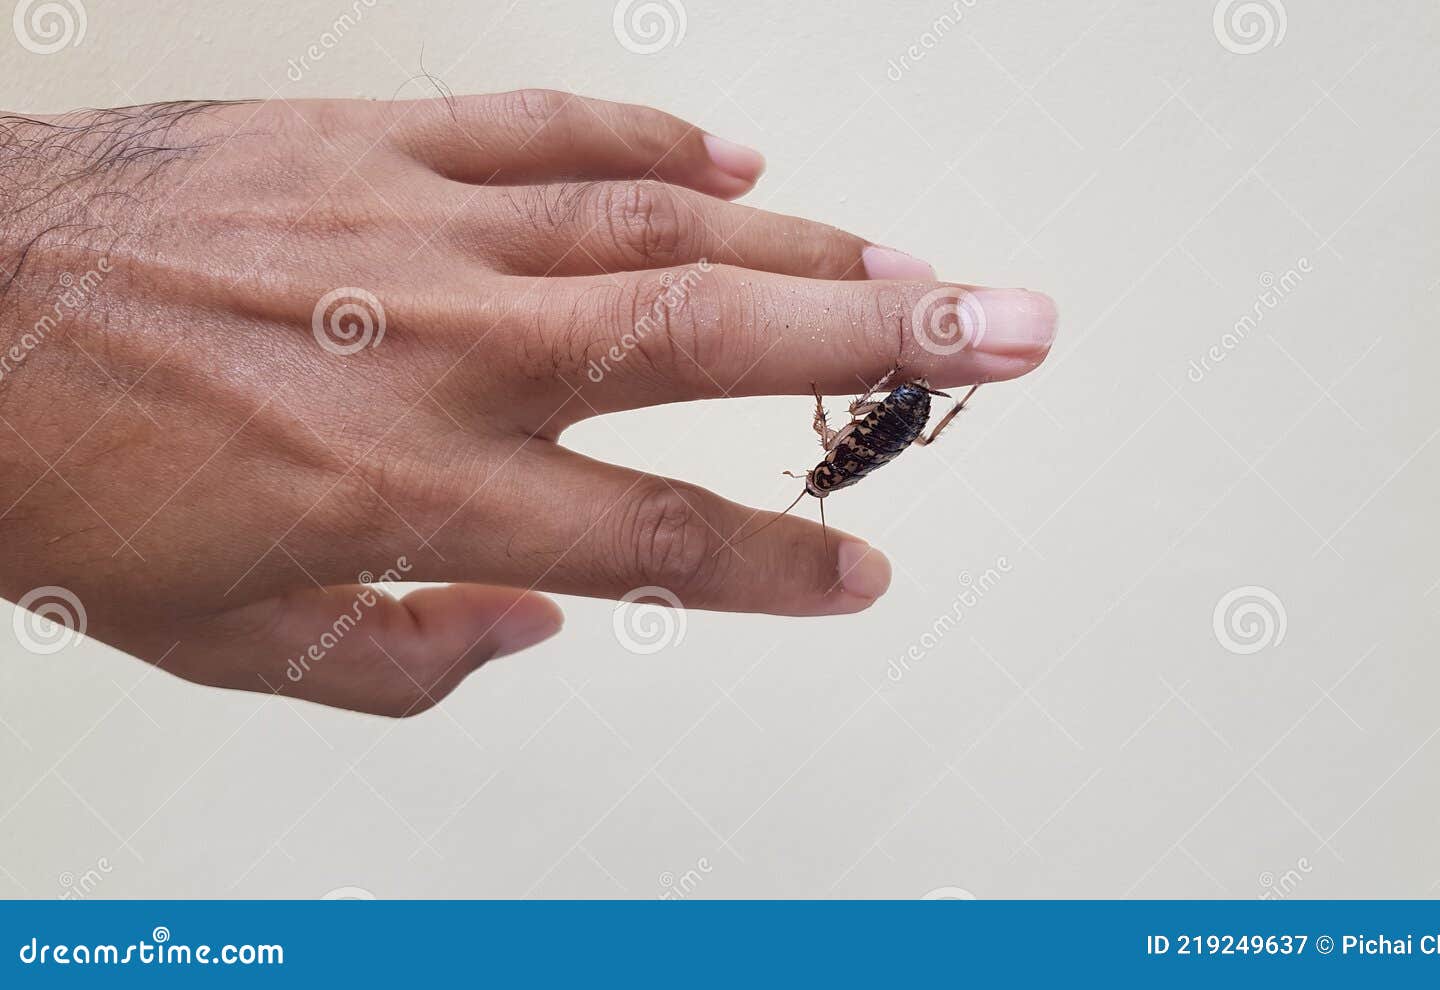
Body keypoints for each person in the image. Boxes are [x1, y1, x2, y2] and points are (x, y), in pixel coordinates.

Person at [0, 89, 1056, 715]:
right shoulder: (849, 446)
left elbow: (858, 430)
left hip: (906, 409)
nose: (821, 465)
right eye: (819, 470)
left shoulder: (848, 441)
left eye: (822, 469)